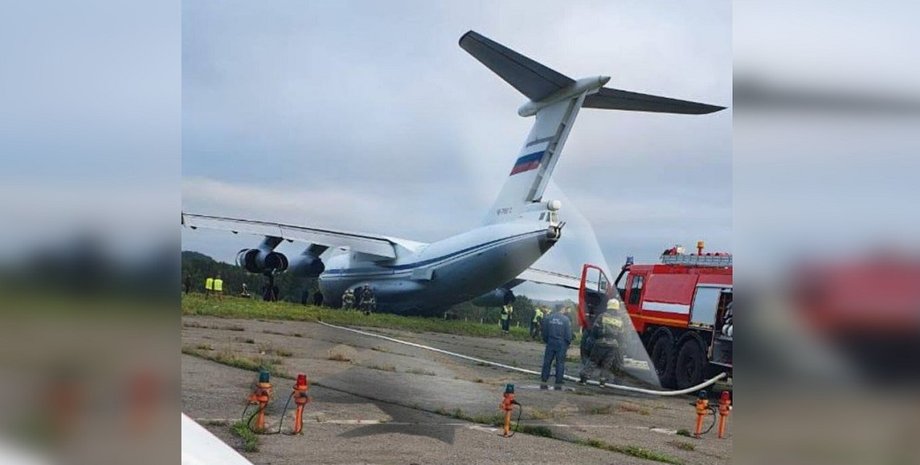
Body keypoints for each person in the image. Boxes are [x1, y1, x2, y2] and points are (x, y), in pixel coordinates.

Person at [579, 299, 625, 386]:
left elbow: (594, 330)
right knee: (607, 364)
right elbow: (621, 335)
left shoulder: (602, 316)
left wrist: (594, 339)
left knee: (593, 361)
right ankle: (602, 382)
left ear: (608, 307)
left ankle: (584, 379)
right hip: (614, 345)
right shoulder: (620, 320)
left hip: (601, 342)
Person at [540, 305, 572, 390]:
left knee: (547, 361)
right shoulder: (566, 319)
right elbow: (568, 334)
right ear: (562, 309)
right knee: (560, 363)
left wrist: (547, 340)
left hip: (550, 342)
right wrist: (568, 343)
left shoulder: (549, 318)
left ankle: (544, 377)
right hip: (561, 344)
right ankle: (558, 380)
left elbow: (545, 332)